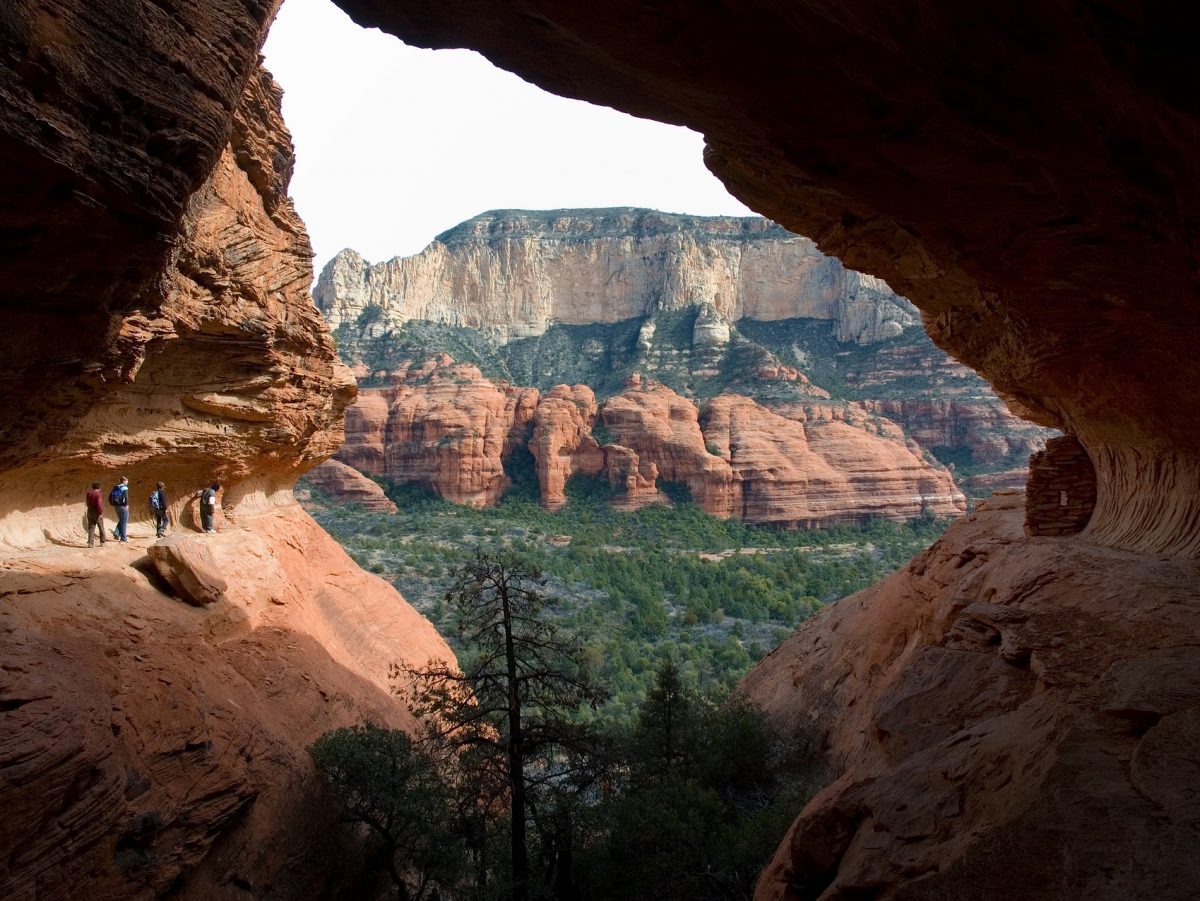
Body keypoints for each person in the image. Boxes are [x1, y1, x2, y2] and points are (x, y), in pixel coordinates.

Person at [109, 476, 130, 543]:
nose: (127, 482)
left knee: (122, 520)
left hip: (116, 506)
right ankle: (123, 539)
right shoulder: (124, 487)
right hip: (122, 506)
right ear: (124, 481)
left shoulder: (115, 487)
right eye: (127, 481)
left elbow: (110, 496)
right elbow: (126, 498)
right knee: (124, 522)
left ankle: (116, 532)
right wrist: (126, 505)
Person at [85, 481, 106, 548]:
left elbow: (87, 503)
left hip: (90, 510)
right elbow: (99, 505)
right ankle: (102, 542)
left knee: (91, 527)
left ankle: (90, 543)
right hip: (96, 512)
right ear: (99, 487)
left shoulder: (89, 493)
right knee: (101, 527)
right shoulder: (98, 494)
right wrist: (100, 513)